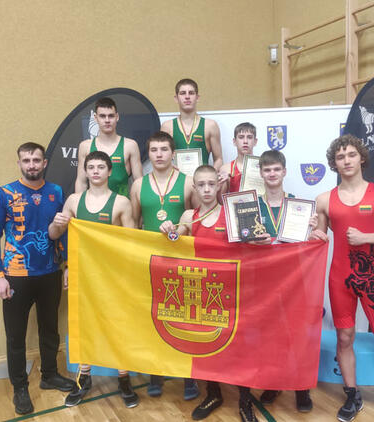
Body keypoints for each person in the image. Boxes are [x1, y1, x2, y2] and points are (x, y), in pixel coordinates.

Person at [309, 134, 374, 422]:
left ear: (361, 158)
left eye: (351, 154)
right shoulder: (324, 199)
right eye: (340, 157)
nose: (346, 160)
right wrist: (313, 231)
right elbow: (320, 237)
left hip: (373, 279)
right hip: (340, 279)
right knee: (344, 338)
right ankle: (352, 396)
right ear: (334, 163)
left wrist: (367, 237)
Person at [159, 165, 258, 422]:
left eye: (211, 184)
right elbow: (176, 238)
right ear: (194, 187)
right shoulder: (188, 215)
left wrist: (259, 237)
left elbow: (255, 242)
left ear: (219, 186)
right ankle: (214, 394)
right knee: (208, 345)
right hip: (204, 291)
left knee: (239, 346)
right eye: (201, 185)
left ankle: (245, 401)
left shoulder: (232, 212)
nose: (206, 189)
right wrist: (168, 230)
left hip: (233, 290)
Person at [0, 142, 75, 415]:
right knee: (16, 336)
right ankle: (20, 387)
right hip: (16, 276)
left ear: (44, 162)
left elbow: (62, 231)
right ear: (19, 163)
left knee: (50, 329)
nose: (32, 165)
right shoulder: (4, 194)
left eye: (36, 160)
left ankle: (50, 375)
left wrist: (67, 264)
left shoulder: (56, 192)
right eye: (26, 160)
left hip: (49, 273)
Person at [48, 150, 140, 409]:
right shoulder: (74, 200)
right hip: (84, 273)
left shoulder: (121, 202)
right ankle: (83, 379)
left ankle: (124, 379)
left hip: (113, 274)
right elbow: (55, 235)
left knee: (118, 325)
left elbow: (132, 243)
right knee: (84, 326)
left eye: (101, 166)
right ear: (85, 171)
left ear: (110, 171)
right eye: (91, 167)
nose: (96, 171)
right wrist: (58, 226)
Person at [130, 131, 199, 400]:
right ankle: (155, 374)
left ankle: (189, 377)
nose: (159, 154)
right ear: (149, 154)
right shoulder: (138, 185)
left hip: (181, 260)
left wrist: (179, 230)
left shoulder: (188, 182)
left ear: (173, 153)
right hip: (151, 261)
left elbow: (196, 220)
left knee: (185, 319)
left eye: (164, 149)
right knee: (154, 317)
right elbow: (134, 225)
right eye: (154, 150)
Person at [254, 150, 315, 413]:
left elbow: (307, 241)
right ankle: (274, 382)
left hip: (293, 279)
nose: (272, 174)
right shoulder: (252, 205)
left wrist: (311, 228)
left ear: (284, 172)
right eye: (267, 170)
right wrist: (251, 240)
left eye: (276, 169)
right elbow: (242, 242)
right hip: (264, 280)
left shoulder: (298, 205)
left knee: (297, 334)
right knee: (269, 334)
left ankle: (301, 388)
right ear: (261, 173)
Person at [75, 97, 143, 196]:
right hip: (93, 204)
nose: (107, 120)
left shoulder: (130, 145)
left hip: (122, 204)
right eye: (102, 116)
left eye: (111, 116)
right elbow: (81, 182)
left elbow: (139, 182)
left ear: (117, 117)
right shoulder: (85, 146)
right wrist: (79, 203)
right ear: (95, 118)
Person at [160, 78, 223, 170]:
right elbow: (162, 158)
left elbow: (219, 159)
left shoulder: (210, 125)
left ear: (197, 97)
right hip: (178, 177)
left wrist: (210, 176)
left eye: (191, 93)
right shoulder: (167, 127)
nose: (187, 97)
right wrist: (169, 167)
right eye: (183, 93)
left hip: (203, 178)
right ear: (176, 98)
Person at [218, 122, 259, 194]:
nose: (245, 141)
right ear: (234, 141)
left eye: (249, 137)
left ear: (255, 141)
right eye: (241, 137)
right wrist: (223, 184)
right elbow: (221, 199)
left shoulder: (264, 167)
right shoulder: (226, 169)